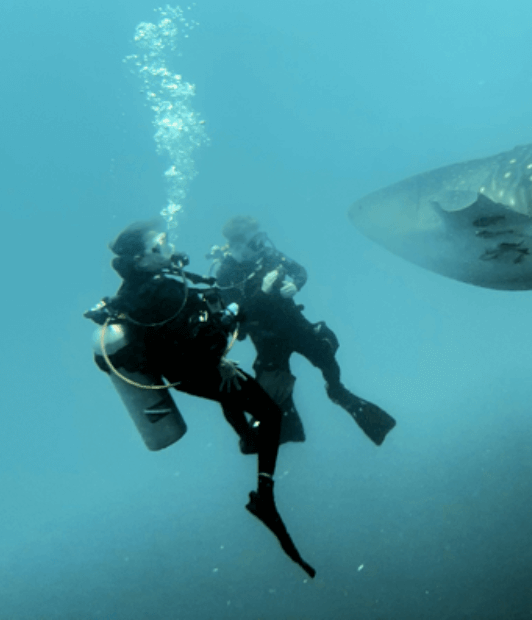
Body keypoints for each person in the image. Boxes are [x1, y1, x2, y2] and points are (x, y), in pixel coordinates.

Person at [85, 219, 315, 577]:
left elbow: (180, 326)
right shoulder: (159, 292)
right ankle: (265, 498)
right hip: (196, 369)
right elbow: (203, 336)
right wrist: (231, 316)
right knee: (270, 413)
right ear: (142, 259)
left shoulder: (135, 288)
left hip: (186, 370)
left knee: (238, 395)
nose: (168, 247)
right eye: (159, 244)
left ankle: (246, 437)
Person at [209, 215, 396, 449]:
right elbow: (238, 315)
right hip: (266, 337)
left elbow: (299, 270)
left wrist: (296, 284)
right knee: (275, 390)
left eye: (259, 240)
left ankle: (337, 391)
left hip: (294, 323)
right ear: (236, 245)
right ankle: (278, 423)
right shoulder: (226, 274)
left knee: (325, 351)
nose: (260, 245)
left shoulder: (268, 255)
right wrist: (264, 291)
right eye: (253, 242)